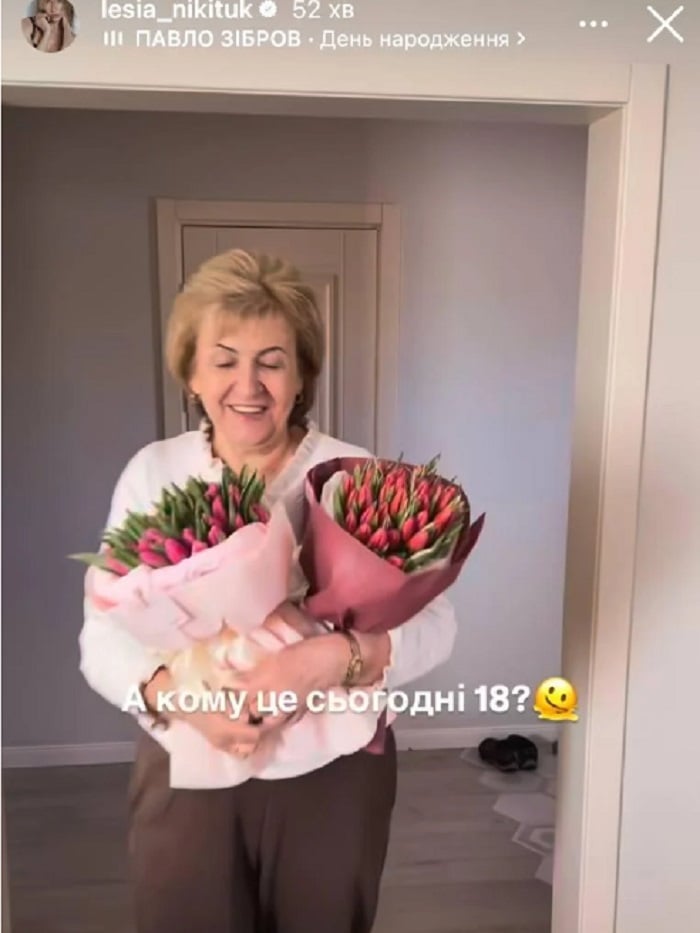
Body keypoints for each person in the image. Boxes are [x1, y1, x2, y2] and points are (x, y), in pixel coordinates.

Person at [79, 249, 459, 933]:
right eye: (224, 360)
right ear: (192, 373)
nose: (247, 384)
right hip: (189, 762)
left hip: (335, 772)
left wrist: (331, 659)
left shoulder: (352, 474)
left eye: (272, 361)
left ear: (302, 373)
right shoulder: (154, 472)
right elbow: (102, 636)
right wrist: (183, 701)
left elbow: (437, 626)